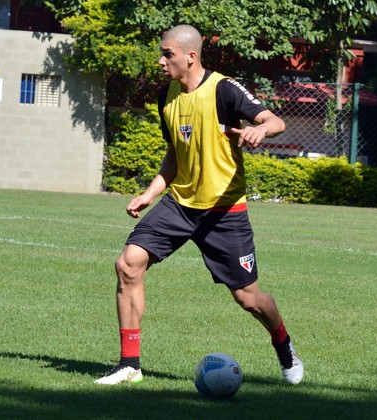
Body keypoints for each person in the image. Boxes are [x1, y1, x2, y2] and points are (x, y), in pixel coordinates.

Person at [95, 24, 303, 385]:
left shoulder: (223, 89)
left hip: (224, 211)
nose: (161, 61)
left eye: (168, 54)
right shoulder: (167, 97)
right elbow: (175, 155)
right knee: (128, 264)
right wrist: (150, 193)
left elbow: (275, 120)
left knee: (249, 298)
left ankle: (284, 346)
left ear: (191, 56)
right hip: (179, 205)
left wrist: (260, 130)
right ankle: (130, 364)